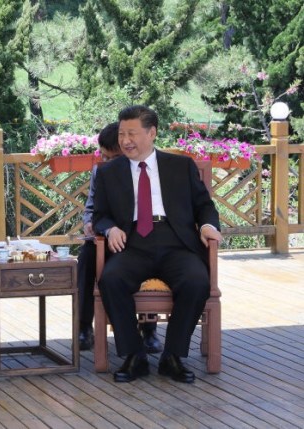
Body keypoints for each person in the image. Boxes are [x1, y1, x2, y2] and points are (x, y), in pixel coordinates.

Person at [93, 105, 222, 384]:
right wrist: (110, 227)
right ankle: (134, 355)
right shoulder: (108, 172)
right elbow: (98, 214)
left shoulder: (180, 166)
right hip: (132, 242)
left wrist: (210, 227)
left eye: (132, 134)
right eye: (122, 134)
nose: (125, 140)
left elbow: (205, 206)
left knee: (197, 281)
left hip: (176, 240)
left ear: (152, 133)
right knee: (111, 280)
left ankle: (172, 356)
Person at [77, 123, 163, 355]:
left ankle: (149, 329)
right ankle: (84, 326)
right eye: (103, 156)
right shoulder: (100, 171)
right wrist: (89, 223)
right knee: (86, 255)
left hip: (139, 239)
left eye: (112, 157)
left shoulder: (148, 170)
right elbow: (91, 208)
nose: (106, 162)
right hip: (107, 238)